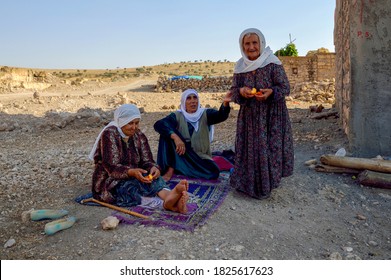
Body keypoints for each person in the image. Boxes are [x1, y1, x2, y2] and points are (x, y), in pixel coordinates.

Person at [229, 28, 294, 199]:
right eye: (247, 43)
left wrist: (271, 92)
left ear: (261, 43)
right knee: (250, 150)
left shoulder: (272, 63)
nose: (251, 47)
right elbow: (233, 91)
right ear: (242, 46)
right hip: (249, 118)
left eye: (254, 42)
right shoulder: (240, 66)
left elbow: (285, 87)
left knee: (270, 149)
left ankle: (268, 183)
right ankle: (247, 184)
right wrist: (242, 91)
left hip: (272, 117)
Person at [88, 104, 189, 213]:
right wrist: (131, 172)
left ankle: (169, 196)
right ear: (121, 121)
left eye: (136, 123)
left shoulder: (138, 135)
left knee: (153, 178)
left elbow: (147, 160)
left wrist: (153, 168)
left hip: (136, 174)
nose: (134, 127)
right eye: (130, 123)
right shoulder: (110, 134)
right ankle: (166, 204)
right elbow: (111, 167)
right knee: (129, 189)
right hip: (111, 180)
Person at [154, 88, 231, 181]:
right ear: (184, 102)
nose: (193, 101)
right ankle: (171, 169)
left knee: (213, 172)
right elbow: (159, 124)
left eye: (195, 98)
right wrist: (176, 138)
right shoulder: (177, 115)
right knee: (166, 132)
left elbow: (220, 115)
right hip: (181, 154)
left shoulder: (205, 113)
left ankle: (182, 168)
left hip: (200, 157)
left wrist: (225, 103)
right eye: (188, 98)